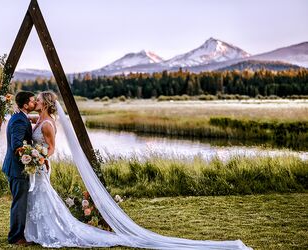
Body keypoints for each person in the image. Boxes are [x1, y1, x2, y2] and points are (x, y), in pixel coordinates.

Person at [19, 90, 252, 249]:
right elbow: (25, 119)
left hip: (41, 166)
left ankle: (49, 232)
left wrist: (39, 158)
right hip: (38, 167)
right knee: (39, 197)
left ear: (46, 104)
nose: (35, 101)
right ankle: (37, 232)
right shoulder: (38, 120)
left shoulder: (48, 124)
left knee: (42, 197)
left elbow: (51, 149)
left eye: (38, 100)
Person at [1, 91, 36, 245]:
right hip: (17, 168)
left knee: (20, 201)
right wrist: (34, 157)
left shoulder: (20, 117)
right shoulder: (19, 121)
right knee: (19, 203)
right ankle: (16, 237)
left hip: (17, 168)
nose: (34, 103)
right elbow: (17, 146)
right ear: (25, 104)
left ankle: (20, 234)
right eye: (32, 101)